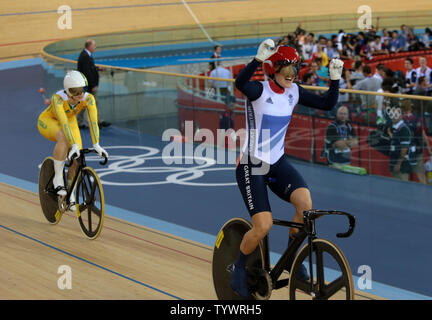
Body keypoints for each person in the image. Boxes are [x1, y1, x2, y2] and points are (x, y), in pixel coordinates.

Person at [231, 39, 343, 297]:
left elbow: (326, 104)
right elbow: (240, 84)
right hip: (252, 164)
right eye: (287, 71)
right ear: (274, 70)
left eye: (296, 70)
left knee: (305, 206)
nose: (292, 76)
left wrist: (335, 81)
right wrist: (256, 61)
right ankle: (238, 267)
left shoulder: (294, 91)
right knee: (263, 226)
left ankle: (293, 259)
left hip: (277, 161)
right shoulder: (259, 90)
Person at [37, 71, 109, 209]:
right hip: (49, 120)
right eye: (76, 92)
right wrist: (73, 144)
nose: (80, 95)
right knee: (64, 139)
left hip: (70, 121)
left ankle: (70, 193)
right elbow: (63, 123)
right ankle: (58, 177)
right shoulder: (57, 99)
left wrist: (96, 144)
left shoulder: (88, 99)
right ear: (68, 92)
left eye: (82, 90)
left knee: (78, 157)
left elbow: (93, 122)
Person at [77, 39, 110, 128]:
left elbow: (89, 68)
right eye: (94, 45)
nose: (95, 47)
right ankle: (96, 122)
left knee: (88, 103)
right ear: (89, 46)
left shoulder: (86, 55)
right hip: (88, 86)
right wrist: (93, 85)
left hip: (87, 85)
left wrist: (97, 68)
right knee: (92, 104)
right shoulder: (85, 56)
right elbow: (87, 72)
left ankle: (94, 121)